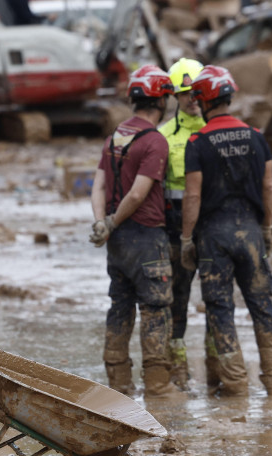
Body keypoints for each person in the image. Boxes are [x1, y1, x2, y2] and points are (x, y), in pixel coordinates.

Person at [180, 65, 272, 396]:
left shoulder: (198, 142)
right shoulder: (257, 136)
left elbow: (193, 195)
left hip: (214, 238)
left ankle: (237, 387)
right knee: (261, 305)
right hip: (252, 233)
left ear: (203, 100)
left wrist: (186, 238)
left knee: (220, 309)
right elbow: (268, 187)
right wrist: (267, 228)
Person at [89, 65, 179, 397]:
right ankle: (158, 386)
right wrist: (112, 222)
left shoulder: (115, 136)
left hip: (118, 242)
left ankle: (119, 387)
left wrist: (102, 223)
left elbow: (98, 185)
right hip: (146, 237)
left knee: (120, 306)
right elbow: (139, 194)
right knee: (155, 309)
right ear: (163, 100)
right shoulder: (154, 141)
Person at [157, 58, 206, 391]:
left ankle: (220, 371)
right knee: (178, 297)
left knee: (218, 298)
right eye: (185, 93)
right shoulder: (162, 136)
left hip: (212, 225)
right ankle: (178, 371)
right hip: (174, 228)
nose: (192, 99)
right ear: (175, 95)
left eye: (197, 92)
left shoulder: (215, 130)